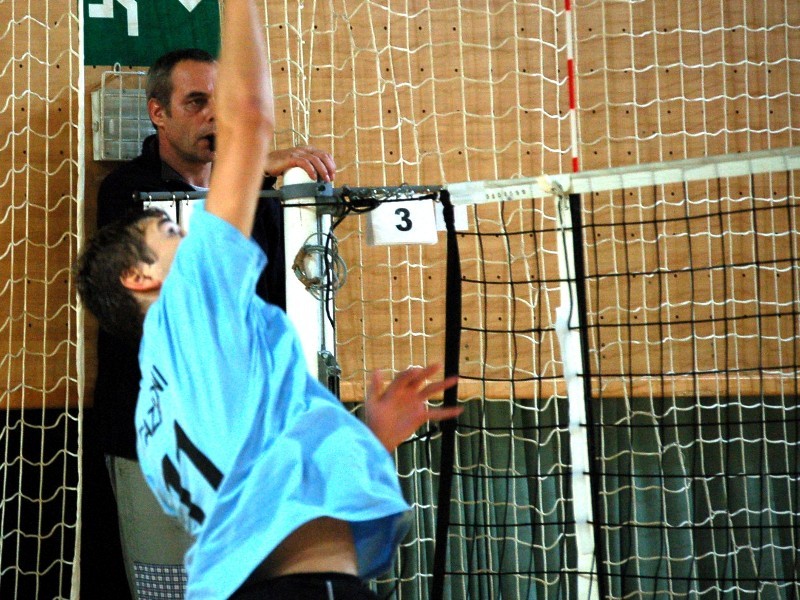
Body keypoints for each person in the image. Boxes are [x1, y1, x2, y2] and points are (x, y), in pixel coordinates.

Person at [76, 1, 462, 598]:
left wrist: (369, 432)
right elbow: (252, 118)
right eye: (170, 230)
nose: (186, 231)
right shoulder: (195, 299)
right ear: (139, 277)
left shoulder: (166, 417)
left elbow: (270, 482)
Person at [92, 47, 337, 598]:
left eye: (222, 103)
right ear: (158, 113)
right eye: (196, 102)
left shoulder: (263, 202)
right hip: (154, 441)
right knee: (171, 590)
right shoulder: (127, 191)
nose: (213, 116)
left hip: (245, 443)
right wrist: (250, 169)